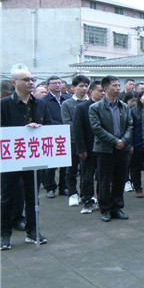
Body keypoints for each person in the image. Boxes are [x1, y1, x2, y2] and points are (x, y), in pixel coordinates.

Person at [1, 68, 52, 249]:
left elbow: (50, 127)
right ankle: (4, 234)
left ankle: (32, 231)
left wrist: (39, 128)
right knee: (7, 197)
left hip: (33, 157)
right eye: (26, 80)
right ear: (15, 82)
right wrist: (24, 129)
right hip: (11, 158)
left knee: (32, 196)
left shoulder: (41, 104)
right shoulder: (4, 104)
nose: (31, 82)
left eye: (32, 79)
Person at [89, 76, 134, 222]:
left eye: (118, 86)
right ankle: (105, 209)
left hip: (123, 149)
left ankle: (117, 207)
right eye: (114, 86)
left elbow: (130, 125)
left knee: (120, 179)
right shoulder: (95, 107)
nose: (118, 88)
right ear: (105, 88)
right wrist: (115, 141)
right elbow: (97, 128)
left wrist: (124, 141)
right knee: (104, 180)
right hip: (104, 149)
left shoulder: (124, 106)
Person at [74, 80, 105, 214]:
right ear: (91, 92)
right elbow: (78, 129)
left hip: (104, 148)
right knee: (87, 177)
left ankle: (102, 200)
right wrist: (81, 149)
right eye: (100, 91)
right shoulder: (82, 108)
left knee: (103, 176)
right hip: (88, 148)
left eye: (104, 90)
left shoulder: (106, 106)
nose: (103, 93)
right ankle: (87, 201)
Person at [61, 75, 90, 207]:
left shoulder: (92, 103)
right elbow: (68, 123)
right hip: (73, 140)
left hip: (89, 141)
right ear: (73, 88)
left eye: (86, 86)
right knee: (72, 169)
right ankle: (73, 193)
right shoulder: (67, 104)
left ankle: (86, 195)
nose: (84, 89)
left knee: (87, 170)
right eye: (81, 86)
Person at [42, 75, 69, 198]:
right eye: (54, 83)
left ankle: (63, 187)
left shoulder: (66, 98)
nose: (57, 85)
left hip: (66, 133)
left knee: (65, 163)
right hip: (51, 134)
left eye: (59, 83)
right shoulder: (43, 101)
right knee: (51, 164)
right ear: (48, 86)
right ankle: (50, 187)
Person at [129, 89, 144, 198]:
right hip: (137, 142)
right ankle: (138, 188)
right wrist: (131, 144)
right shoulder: (133, 111)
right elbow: (130, 128)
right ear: (140, 98)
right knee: (136, 167)